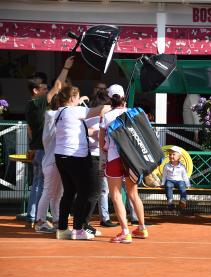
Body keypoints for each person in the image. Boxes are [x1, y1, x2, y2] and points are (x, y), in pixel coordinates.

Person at [54, 86, 111, 240]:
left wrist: (79, 100)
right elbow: (100, 110)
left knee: (69, 192)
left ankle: (63, 228)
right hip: (75, 156)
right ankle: (78, 229)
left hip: (61, 156)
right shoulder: (74, 111)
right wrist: (116, 105)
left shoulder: (59, 111)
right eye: (77, 98)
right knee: (86, 192)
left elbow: (78, 112)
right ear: (73, 98)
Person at [25, 56, 74, 227]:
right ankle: (39, 220)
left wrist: (32, 146)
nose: (48, 91)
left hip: (41, 150)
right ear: (35, 91)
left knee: (48, 189)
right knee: (47, 189)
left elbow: (29, 130)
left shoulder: (34, 106)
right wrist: (66, 67)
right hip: (46, 152)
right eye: (44, 88)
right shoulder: (39, 106)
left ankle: (44, 218)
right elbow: (58, 86)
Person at [99, 84, 149, 244]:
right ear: (123, 98)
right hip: (132, 159)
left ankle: (125, 232)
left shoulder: (106, 117)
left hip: (114, 158)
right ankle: (142, 228)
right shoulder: (132, 113)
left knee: (115, 196)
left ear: (110, 99)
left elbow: (102, 144)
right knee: (133, 194)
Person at [85, 89, 118, 228]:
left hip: (106, 156)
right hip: (93, 157)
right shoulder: (91, 119)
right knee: (99, 190)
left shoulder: (109, 119)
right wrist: (97, 133)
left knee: (104, 190)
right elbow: (83, 132)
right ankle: (99, 218)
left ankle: (103, 217)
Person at [34, 86, 63, 233]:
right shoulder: (53, 115)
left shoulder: (54, 115)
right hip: (52, 161)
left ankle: (56, 220)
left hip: (56, 161)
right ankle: (40, 221)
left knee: (57, 194)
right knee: (49, 192)